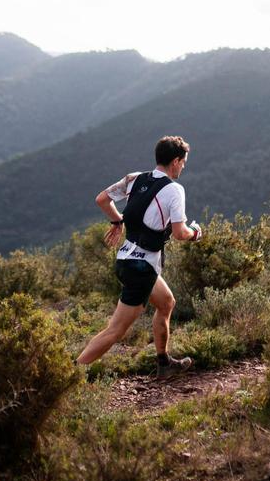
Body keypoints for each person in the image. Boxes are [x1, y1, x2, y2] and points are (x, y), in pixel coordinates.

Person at [77, 135, 202, 377]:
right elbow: (179, 233)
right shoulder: (175, 190)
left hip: (126, 258)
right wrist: (195, 233)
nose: (184, 167)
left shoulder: (134, 179)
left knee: (166, 302)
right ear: (176, 161)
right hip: (141, 266)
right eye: (184, 162)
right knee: (115, 331)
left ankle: (164, 363)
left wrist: (117, 221)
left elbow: (102, 199)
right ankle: (68, 375)